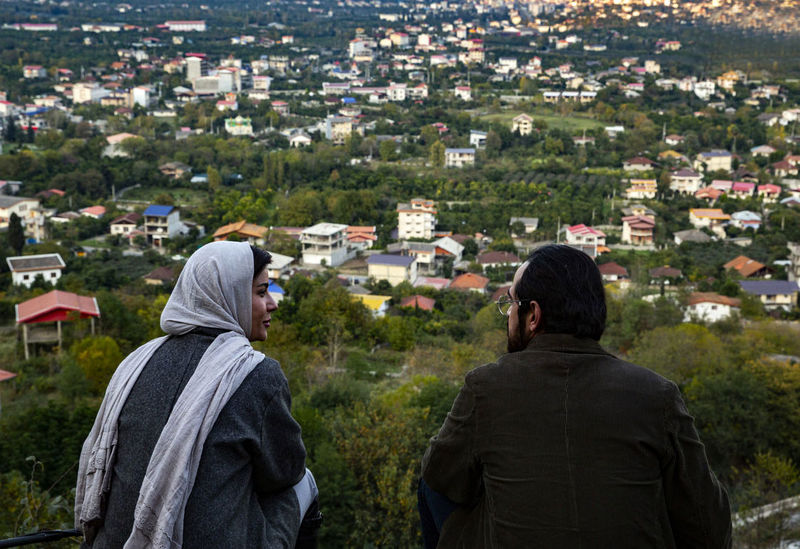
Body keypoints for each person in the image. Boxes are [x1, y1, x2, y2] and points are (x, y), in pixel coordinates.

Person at [419, 244, 732, 548]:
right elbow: (709, 527)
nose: (509, 314)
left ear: (533, 316)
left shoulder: (486, 387)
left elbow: (439, 476)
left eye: (512, 303)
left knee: (431, 482)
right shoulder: (656, 394)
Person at [75, 241, 320, 548]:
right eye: (260, 292)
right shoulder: (256, 375)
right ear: (228, 298)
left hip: (114, 541)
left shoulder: (137, 361)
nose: (273, 303)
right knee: (305, 482)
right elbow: (286, 471)